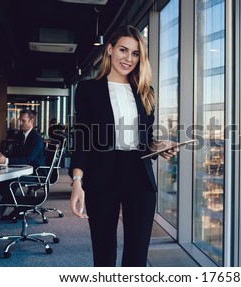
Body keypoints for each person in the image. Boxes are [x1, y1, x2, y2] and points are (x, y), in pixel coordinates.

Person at [69, 25, 177, 267]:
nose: (128, 58)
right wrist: (77, 181)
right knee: (104, 253)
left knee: (137, 256)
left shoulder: (146, 92)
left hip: (139, 175)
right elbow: (82, 139)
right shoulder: (88, 90)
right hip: (102, 174)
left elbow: (145, 141)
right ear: (110, 50)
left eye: (135, 53)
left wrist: (161, 145)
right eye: (123, 50)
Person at [0, 109, 45, 231]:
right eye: (20, 121)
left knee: (11, 182)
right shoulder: (21, 135)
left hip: (36, 173)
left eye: (23, 121)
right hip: (23, 169)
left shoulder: (36, 138)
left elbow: (28, 158)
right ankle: (19, 206)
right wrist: (3, 156)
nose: (21, 123)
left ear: (32, 121)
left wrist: (7, 161)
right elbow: (16, 154)